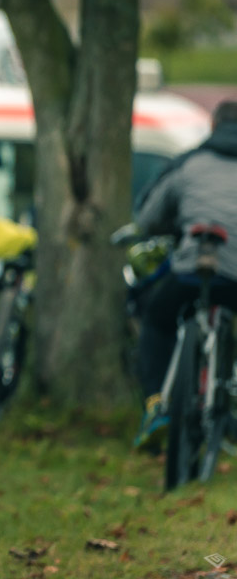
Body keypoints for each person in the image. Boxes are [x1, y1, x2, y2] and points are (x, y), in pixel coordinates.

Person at [131, 99, 237, 449]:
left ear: (214, 126)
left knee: (157, 318)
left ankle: (156, 405)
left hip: (193, 268)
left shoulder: (189, 164)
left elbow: (147, 218)